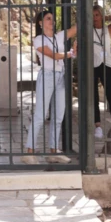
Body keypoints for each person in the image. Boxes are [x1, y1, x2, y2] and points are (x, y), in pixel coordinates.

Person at [23, 10, 77, 164]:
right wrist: (70, 53)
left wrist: (83, 7)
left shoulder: (59, 36)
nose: (51, 21)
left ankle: (54, 150)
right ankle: (29, 151)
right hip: (47, 76)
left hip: (60, 75)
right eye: (47, 19)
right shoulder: (39, 39)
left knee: (58, 115)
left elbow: (77, 28)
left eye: (52, 19)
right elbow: (52, 55)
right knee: (40, 114)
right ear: (40, 23)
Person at [92, 5, 111, 139]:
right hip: (93, 65)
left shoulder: (108, 29)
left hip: (107, 65)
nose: (95, 18)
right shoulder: (89, 30)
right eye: (93, 15)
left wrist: (106, 17)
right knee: (93, 97)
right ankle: (97, 127)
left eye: (97, 15)